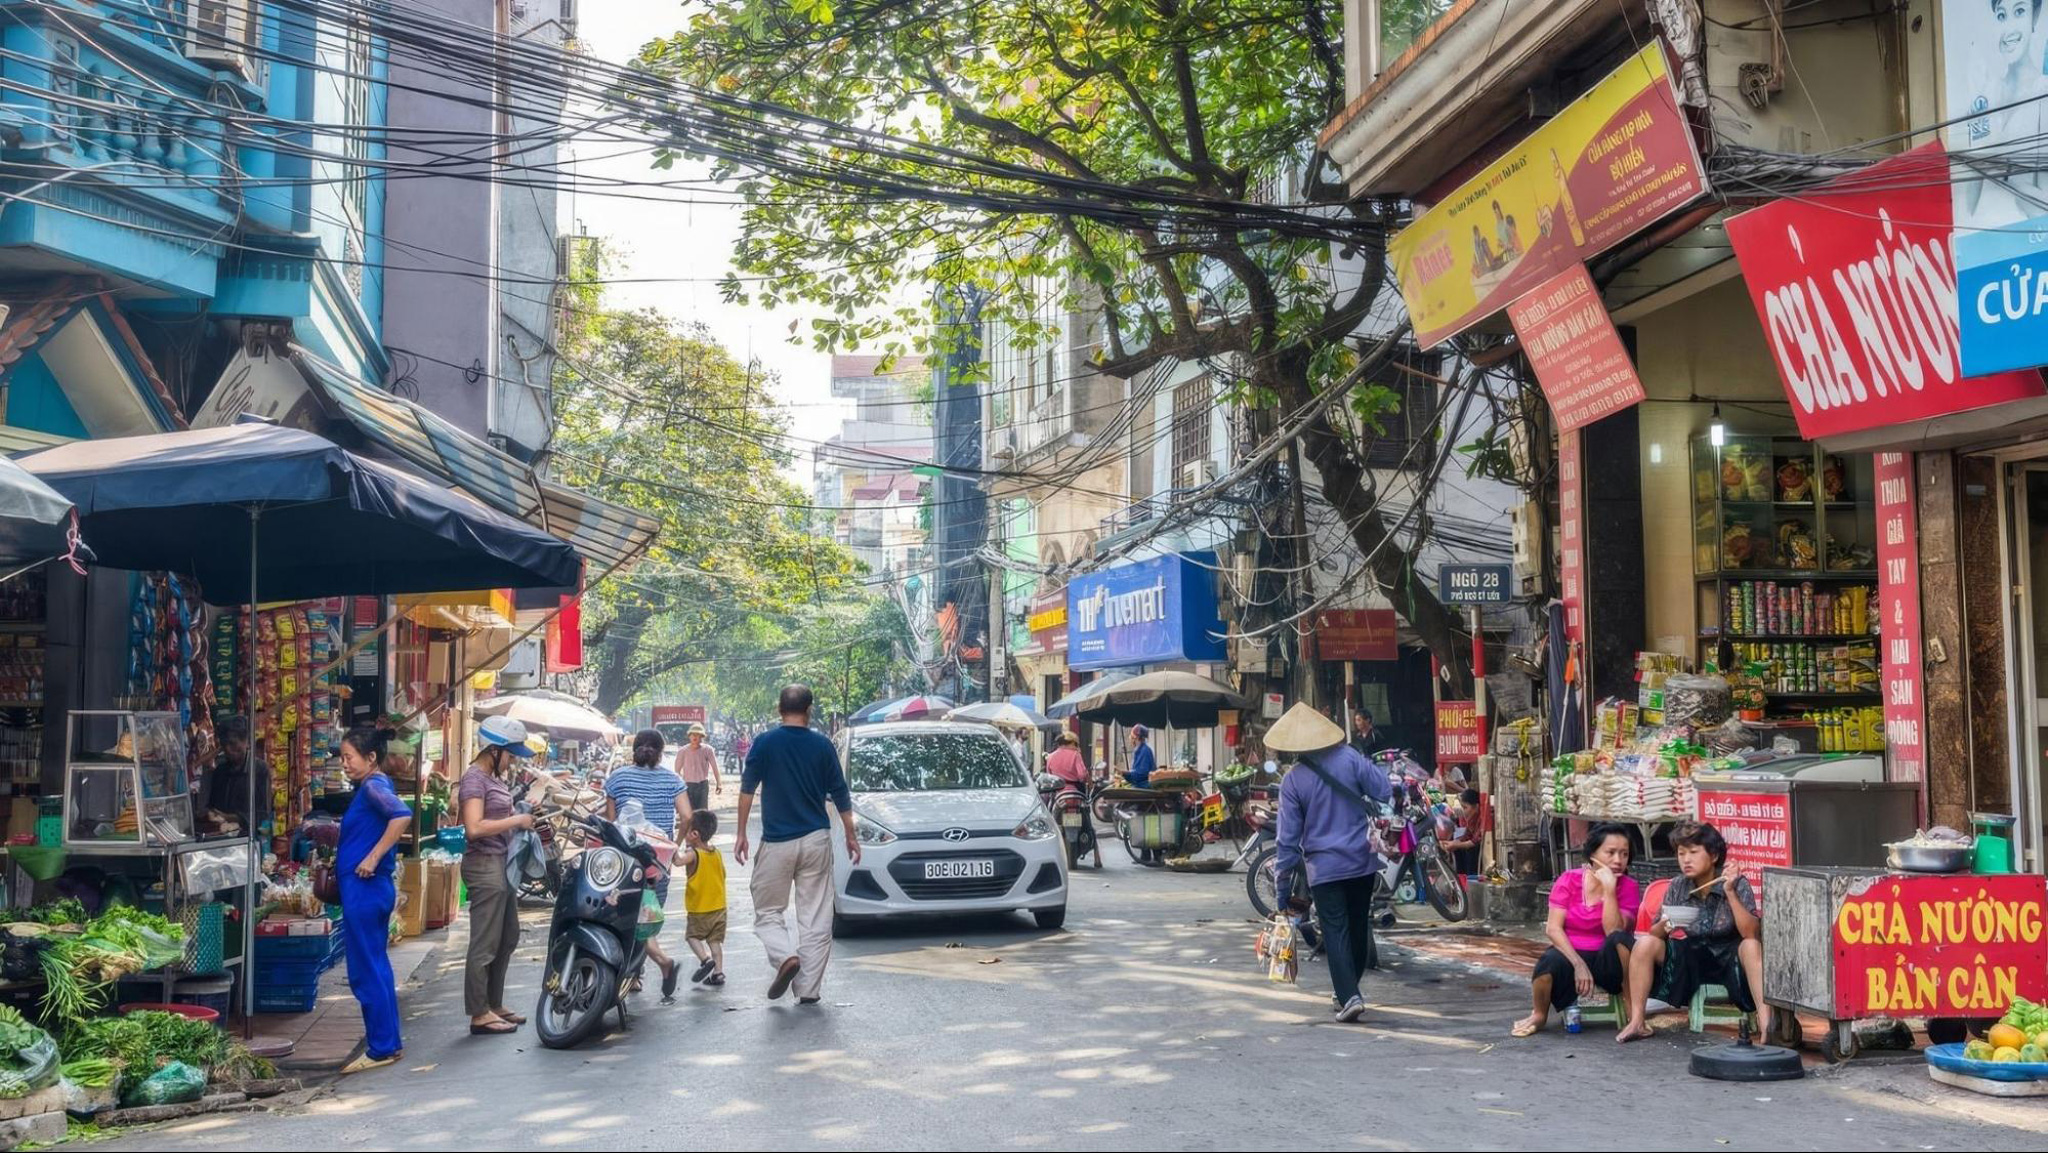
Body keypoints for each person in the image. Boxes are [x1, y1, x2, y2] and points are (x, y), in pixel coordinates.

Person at [1268, 702, 1393, 1023]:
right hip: (1362, 861)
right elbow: (1382, 789)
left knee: (1335, 929)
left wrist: (1282, 888)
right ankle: (1347, 990)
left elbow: (1287, 840)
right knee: (1357, 924)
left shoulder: (1293, 781)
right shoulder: (1351, 757)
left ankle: (1349, 995)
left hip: (1324, 869)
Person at [737, 684, 859, 1005]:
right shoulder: (822, 745)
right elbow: (841, 793)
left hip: (777, 842)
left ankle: (785, 955)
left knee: (767, 911)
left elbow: (747, 790)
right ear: (809, 710)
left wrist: (739, 834)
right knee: (817, 916)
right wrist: (850, 833)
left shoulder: (764, 743)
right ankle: (807, 989)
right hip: (816, 839)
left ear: (780, 709)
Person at [1619, 821, 1766, 1043]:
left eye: (1693, 852)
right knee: (1645, 944)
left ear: (1714, 855)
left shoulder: (1735, 883)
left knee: (1752, 946)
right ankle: (1637, 1021)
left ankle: (1767, 1026)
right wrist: (1670, 923)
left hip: (1730, 957)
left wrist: (1730, 892)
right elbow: (1656, 932)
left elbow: (1749, 933)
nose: (1686, 859)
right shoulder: (1678, 885)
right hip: (1692, 955)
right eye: (1681, 853)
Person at [1513, 824, 1641, 1037]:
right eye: (1610, 853)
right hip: (1571, 953)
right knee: (1548, 963)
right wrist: (1578, 963)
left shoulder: (1628, 887)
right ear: (1593, 854)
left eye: (1624, 854)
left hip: (1608, 961)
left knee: (1620, 939)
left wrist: (1609, 891)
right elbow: (1553, 929)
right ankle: (1539, 1014)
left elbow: (1614, 931)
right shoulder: (1569, 880)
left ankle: (1633, 1012)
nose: (1618, 860)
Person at [335, 725, 410, 1074]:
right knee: (376, 967)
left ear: (371, 758)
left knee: (366, 971)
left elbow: (402, 816)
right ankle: (388, 1043)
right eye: (342, 757)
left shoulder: (375, 787)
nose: (344, 764)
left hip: (366, 890)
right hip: (367, 891)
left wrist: (372, 857)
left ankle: (381, 1048)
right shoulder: (372, 786)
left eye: (348, 757)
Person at [458, 716, 537, 1037]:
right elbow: (474, 827)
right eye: (511, 753)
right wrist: (517, 819)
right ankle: (479, 1013)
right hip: (484, 865)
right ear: (494, 751)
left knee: (508, 936)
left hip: (501, 864)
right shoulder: (474, 779)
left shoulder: (493, 777)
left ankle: (494, 1003)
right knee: (485, 942)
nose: (513, 759)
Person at [606, 729, 689, 999]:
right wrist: (674, 847)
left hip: (624, 861)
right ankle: (637, 971)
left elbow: (611, 825)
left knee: (624, 914)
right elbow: (687, 816)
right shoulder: (672, 780)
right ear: (661, 752)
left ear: (635, 749)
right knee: (647, 915)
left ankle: (637, 972)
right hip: (657, 863)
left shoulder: (617, 778)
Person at [681, 809, 728, 989]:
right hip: (719, 908)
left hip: (700, 909)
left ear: (694, 835)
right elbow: (722, 875)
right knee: (714, 942)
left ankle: (705, 960)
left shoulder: (693, 854)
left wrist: (674, 850)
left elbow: (678, 861)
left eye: (686, 831)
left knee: (692, 937)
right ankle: (718, 973)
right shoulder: (716, 853)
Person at [204, 715, 269, 835]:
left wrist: (230, 818)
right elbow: (212, 807)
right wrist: (210, 814)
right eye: (224, 745)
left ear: (246, 742)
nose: (228, 749)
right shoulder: (220, 771)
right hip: (221, 838)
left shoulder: (260, 770)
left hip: (250, 840)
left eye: (233, 743)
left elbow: (263, 815)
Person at [674, 723, 722, 817]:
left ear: (702, 737)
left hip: (702, 785)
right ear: (689, 736)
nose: (696, 738)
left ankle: (702, 831)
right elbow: (676, 772)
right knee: (689, 813)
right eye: (694, 735)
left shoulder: (708, 750)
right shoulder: (682, 751)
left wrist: (719, 783)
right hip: (688, 786)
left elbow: (715, 767)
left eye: (699, 735)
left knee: (702, 812)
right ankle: (690, 830)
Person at [1445, 788, 1485, 876]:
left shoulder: (1483, 817)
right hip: (1469, 843)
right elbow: (1463, 834)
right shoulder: (1464, 816)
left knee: (1471, 851)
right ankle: (1461, 877)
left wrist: (1457, 844)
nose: (1463, 810)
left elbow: (1475, 841)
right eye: (1462, 807)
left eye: (1466, 807)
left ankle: (1471, 877)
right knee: (1458, 850)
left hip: (1478, 849)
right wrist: (1454, 842)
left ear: (1476, 807)